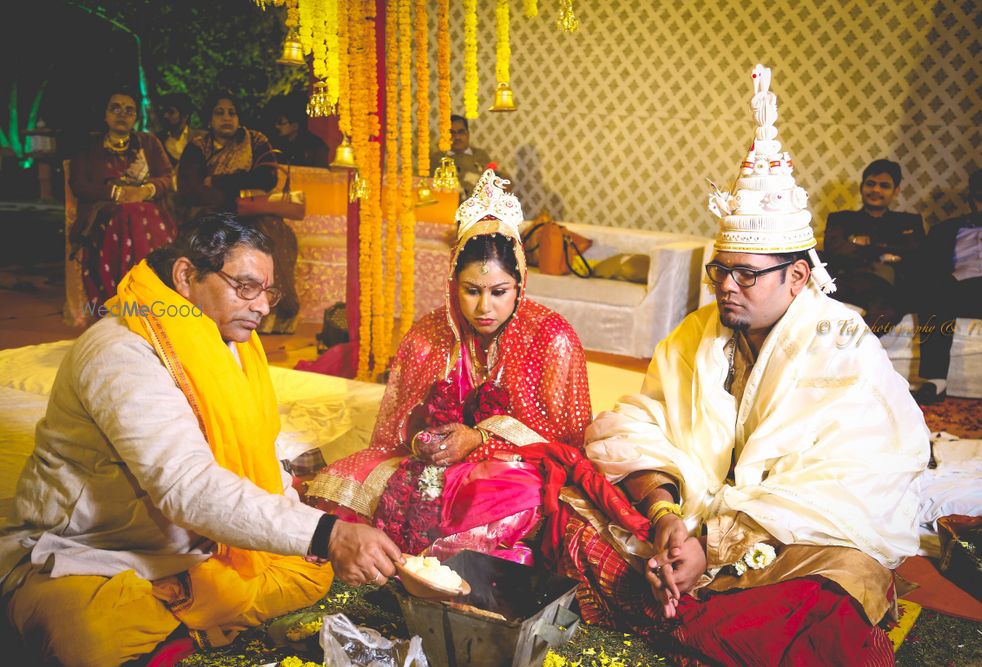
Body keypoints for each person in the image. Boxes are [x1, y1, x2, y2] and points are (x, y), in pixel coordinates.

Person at [561, 65, 929, 666]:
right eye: (720, 270)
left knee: (837, 590)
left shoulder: (842, 340)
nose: (727, 288)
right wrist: (667, 516)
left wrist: (718, 543)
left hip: (789, 539)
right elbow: (636, 425)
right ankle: (680, 576)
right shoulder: (697, 332)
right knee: (564, 498)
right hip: (694, 520)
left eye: (747, 275)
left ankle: (691, 592)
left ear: (798, 277)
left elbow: (848, 478)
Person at [0, 214, 401, 667]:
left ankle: (183, 602)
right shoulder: (121, 351)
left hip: (191, 550)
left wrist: (304, 519)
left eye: (269, 292)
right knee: (91, 634)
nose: (263, 307)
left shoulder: (232, 345)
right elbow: (186, 486)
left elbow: (258, 453)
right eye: (246, 287)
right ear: (187, 276)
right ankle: (190, 606)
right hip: (94, 553)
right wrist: (327, 533)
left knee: (306, 573)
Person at [305, 170, 597, 564]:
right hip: (430, 463)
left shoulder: (550, 337)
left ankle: (430, 554)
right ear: (452, 284)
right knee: (340, 483)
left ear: (520, 284)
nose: (484, 308)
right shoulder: (430, 333)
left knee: (513, 502)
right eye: (471, 291)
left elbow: (565, 443)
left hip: (509, 472)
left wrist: (480, 440)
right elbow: (396, 428)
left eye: (499, 292)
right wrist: (426, 440)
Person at [176, 90, 300, 334]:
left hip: (249, 212)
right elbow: (191, 190)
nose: (226, 118)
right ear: (209, 118)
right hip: (211, 215)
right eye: (219, 112)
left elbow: (266, 178)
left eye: (232, 113)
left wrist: (218, 180)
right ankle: (228, 314)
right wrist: (235, 192)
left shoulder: (256, 141)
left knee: (275, 232)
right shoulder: (198, 146)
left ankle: (280, 312)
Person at [69, 89, 176, 310]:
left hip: (151, 213)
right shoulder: (89, 147)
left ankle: (156, 292)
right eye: (115, 108)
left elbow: (167, 177)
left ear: (136, 117)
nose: (122, 114)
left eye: (129, 110)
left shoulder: (148, 143)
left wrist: (146, 191)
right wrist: (117, 194)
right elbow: (79, 185)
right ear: (104, 115)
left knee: (137, 211)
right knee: (129, 212)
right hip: (103, 214)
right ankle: (130, 297)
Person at [911, 166, 982, 404]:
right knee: (933, 294)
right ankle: (935, 382)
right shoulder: (946, 229)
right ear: (971, 200)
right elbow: (926, 267)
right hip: (960, 289)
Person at [823, 159, 925, 331]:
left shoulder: (910, 222)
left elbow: (917, 255)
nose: (876, 190)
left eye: (884, 186)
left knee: (890, 309)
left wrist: (862, 243)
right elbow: (836, 251)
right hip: (848, 281)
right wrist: (884, 253)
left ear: (896, 191)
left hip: (887, 286)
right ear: (862, 187)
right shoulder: (840, 219)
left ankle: (848, 351)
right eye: (871, 184)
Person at [430, 115, 495, 197]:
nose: (457, 137)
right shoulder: (437, 158)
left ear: (468, 134)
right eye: (452, 133)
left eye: (461, 132)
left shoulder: (480, 155)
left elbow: (494, 180)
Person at [271, 95, 330, 167]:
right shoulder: (278, 144)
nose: (276, 126)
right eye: (276, 122)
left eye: (281, 123)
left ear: (295, 125)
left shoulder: (315, 146)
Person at [156, 92, 205, 167]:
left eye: (171, 112)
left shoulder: (202, 138)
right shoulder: (157, 140)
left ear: (185, 116)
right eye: (163, 112)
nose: (165, 116)